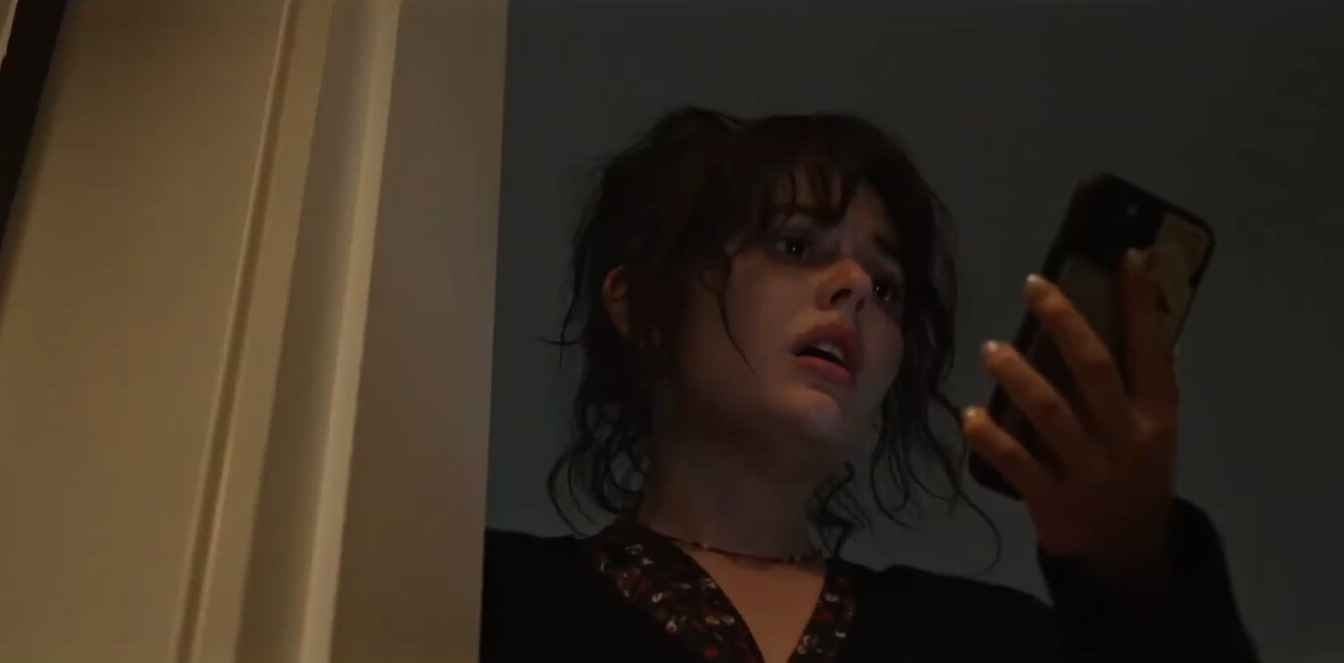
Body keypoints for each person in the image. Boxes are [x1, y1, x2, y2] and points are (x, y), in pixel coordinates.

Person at [480, 107, 1257, 662]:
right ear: (646, 307)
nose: (855, 284)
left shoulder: (986, 639)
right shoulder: (488, 598)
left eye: (886, 286)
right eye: (794, 245)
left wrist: (1133, 567)